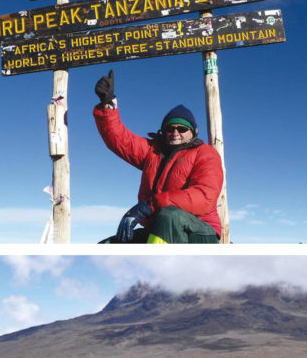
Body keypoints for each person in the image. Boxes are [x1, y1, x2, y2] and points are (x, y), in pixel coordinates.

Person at [94, 69, 224, 244]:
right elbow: (120, 140)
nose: (175, 133)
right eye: (170, 129)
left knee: (169, 215)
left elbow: (204, 196)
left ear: (193, 132)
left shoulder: (206, 154)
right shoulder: (153, 151)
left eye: (182, 129)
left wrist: (149, 206)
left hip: (200, 231)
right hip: (159, 227)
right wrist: (108, 104)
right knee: (109, 245)